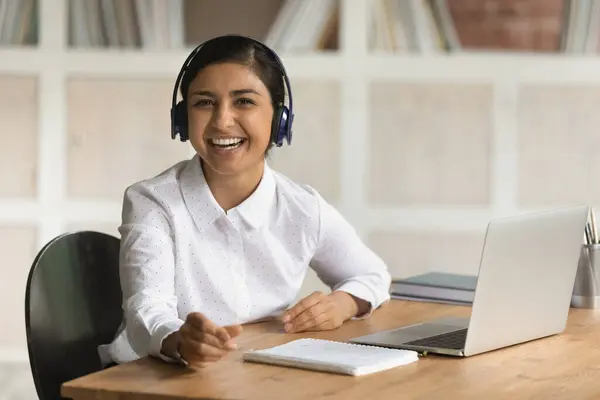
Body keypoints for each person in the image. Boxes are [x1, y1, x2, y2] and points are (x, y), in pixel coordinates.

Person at [98, 34, 391, 370]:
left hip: (258, 373)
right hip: (155, 376)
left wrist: (342, 305)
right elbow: (146, 310)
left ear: (279, 119)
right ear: (182, 119)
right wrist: (179, 338)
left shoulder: (302, 208)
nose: (223, 120)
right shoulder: (153, 203)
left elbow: (372, 274)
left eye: (244, 102)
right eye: (204, 102)